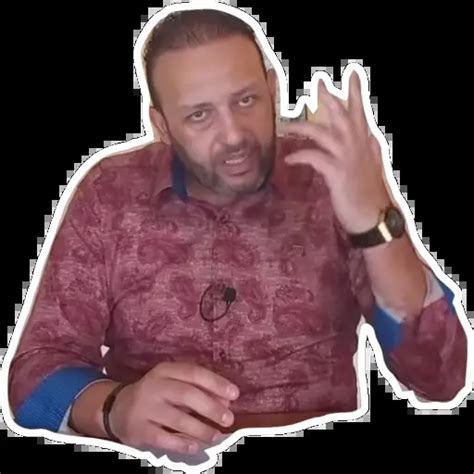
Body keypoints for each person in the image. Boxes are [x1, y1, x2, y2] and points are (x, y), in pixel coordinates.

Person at [5, 7, 469, 466]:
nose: (233, 136)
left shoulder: (328, 176)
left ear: (272, 89)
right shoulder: (109, 193)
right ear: (162, 126)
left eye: (246, 101)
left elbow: (441, 376)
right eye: (199, 115)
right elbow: (32, 378)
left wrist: (376, 220)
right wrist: (114, 409)